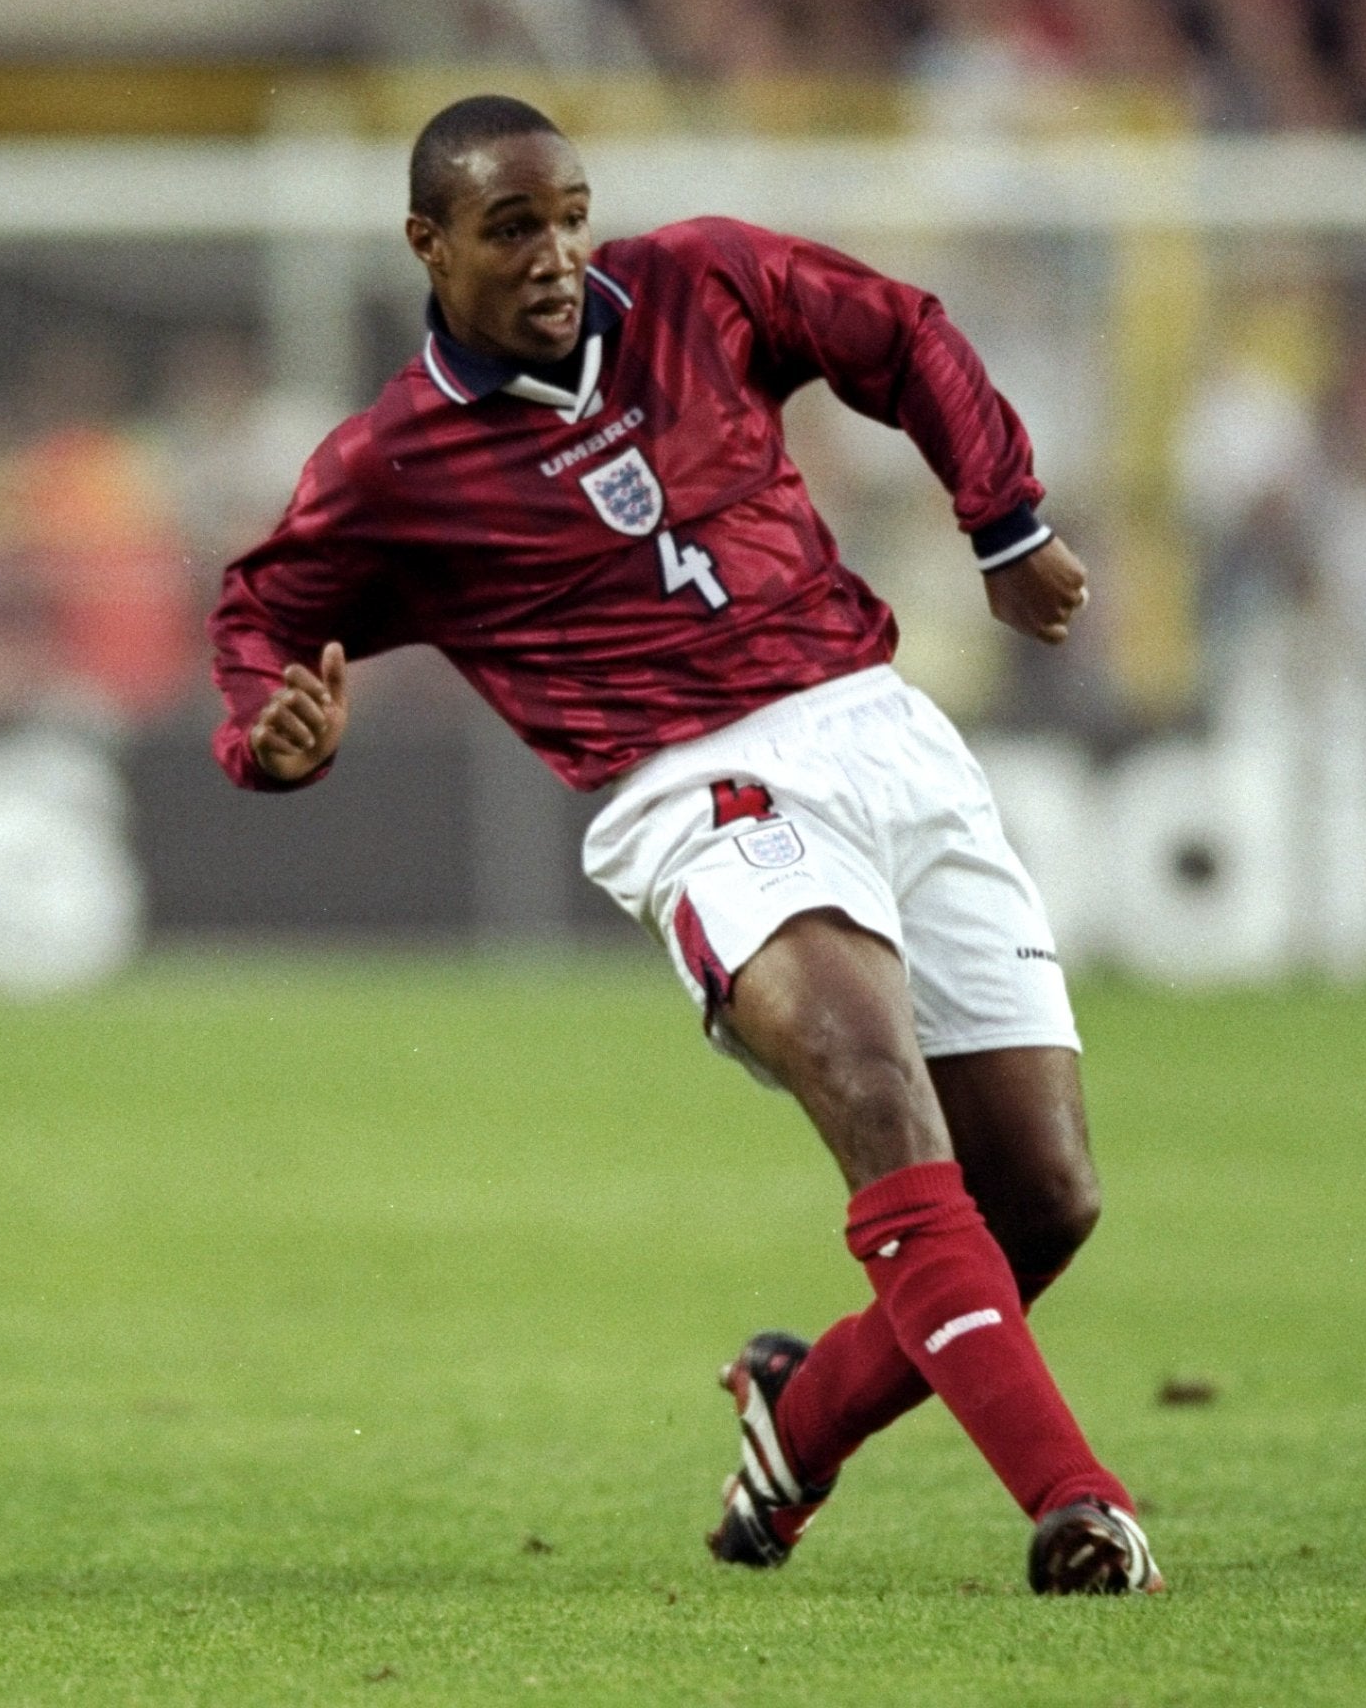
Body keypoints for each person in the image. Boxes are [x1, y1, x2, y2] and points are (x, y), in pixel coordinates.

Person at [208, 96, 1159, 1595]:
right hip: (694, 789)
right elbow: (259, 613)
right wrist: (265, 728)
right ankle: (1078, 1505)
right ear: (428, 244)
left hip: (878, 728)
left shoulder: (695, 286)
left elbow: (897, 332)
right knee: (869, 1082)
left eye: (570, 215)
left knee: (1042, 1200)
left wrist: (1006, 517)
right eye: (513, 228)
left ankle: (806, 1417)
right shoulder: (392, 465)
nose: (554, 254)